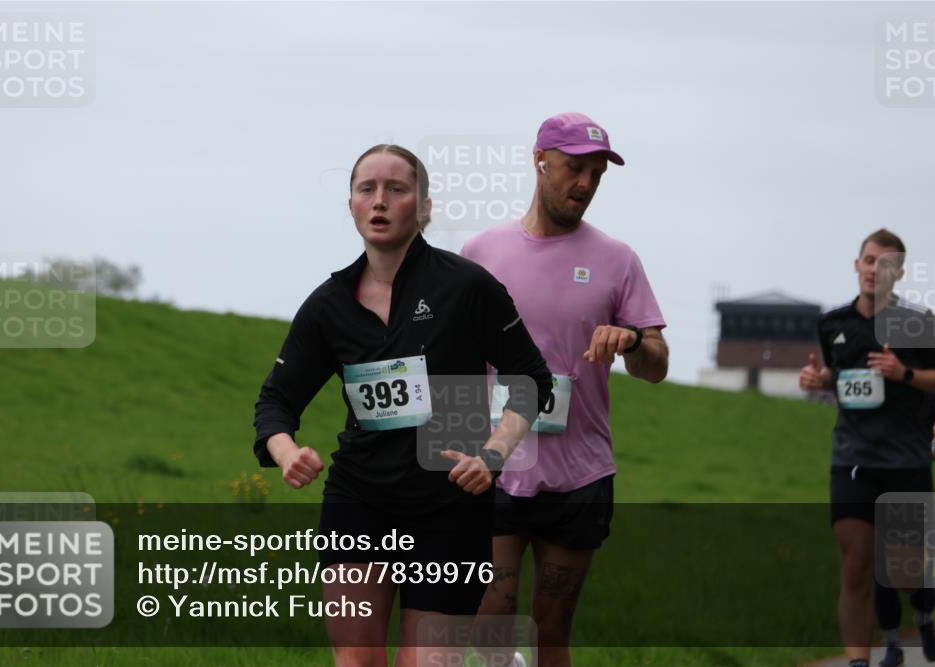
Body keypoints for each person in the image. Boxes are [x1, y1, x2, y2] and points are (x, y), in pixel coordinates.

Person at [253, 144, 553, 667]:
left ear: (424, 205)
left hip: (450, 505)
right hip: (359, 499)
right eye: (366, 189)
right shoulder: (329, 305)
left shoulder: (467, 287)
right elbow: (276, 400)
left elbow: (531, 378)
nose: (380, 201)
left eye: (396, 189)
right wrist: (285, 452)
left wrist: (493, 454)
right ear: (350, 205)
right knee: (357, 661)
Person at [461, 112, 669, 667]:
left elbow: (656, 366)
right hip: (497, 462)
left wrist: (628, 341)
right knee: (490, 623)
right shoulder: (481, 252)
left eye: (596, 174)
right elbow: (453, 359)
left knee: (552, 631)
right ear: (541, 161)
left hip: (579, 473)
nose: (585, 184)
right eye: (574, 168)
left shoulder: (618, 260)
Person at [798, 228, 935, 667]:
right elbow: (836, 379)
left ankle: (921, 614)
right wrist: (819, 381)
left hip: (906, 458)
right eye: (867, 260)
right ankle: (859, 660)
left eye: (885, 264)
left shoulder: (918, 323)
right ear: (856, 265)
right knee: (857, 562)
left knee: (904, 569)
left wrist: (903, 373)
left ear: (898, 274)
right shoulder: (834, 323)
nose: (873, 270)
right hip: (853, 458)